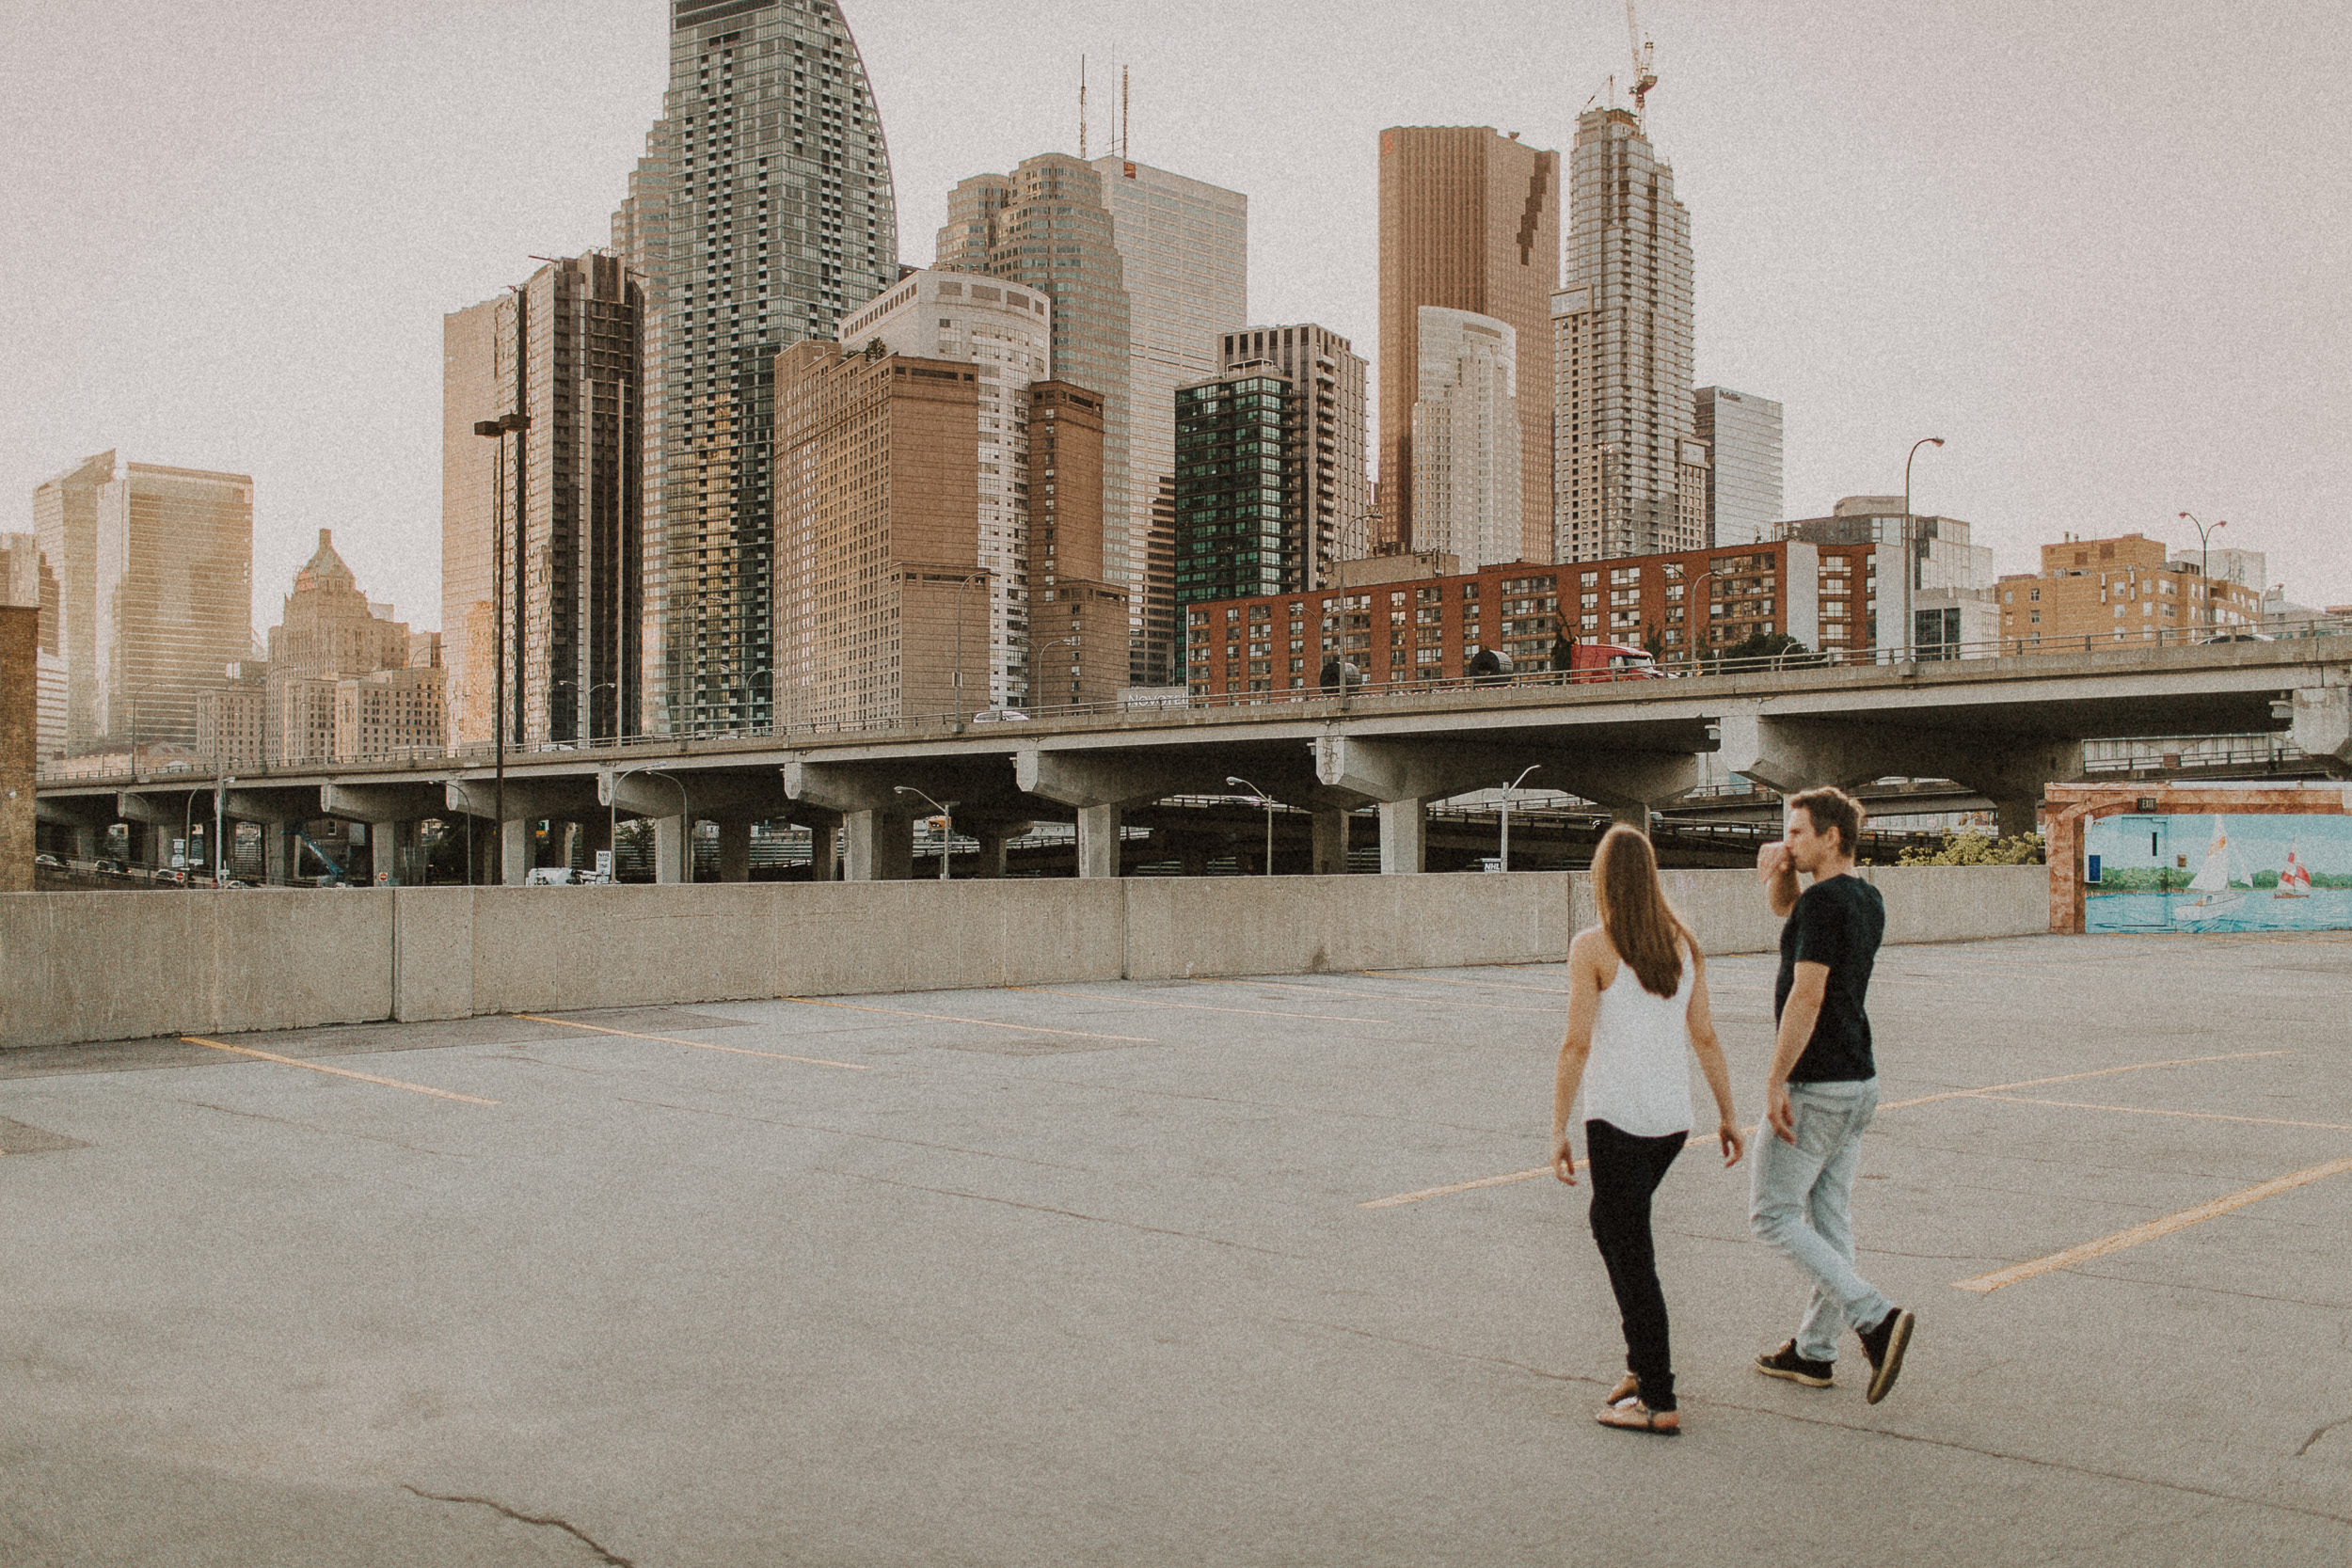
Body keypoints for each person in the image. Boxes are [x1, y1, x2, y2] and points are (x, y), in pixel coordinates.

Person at [1552, 824, 1744, 1435]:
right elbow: (1706, 1034)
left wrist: (1557, 1127)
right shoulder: (1682, 944)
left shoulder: (1593, 947)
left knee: (1631, 1252)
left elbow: (1576, 1043)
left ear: (1603, 880)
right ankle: (1641, 1366)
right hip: (1669, 1124)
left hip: (1616, 1120)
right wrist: (1728, 1115)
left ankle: (1658, 1397)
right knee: (1615, 1228)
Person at [1748, 786, 1915, 1404]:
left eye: (1797, 833)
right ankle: (1814, 1353)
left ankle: (1874, 1317)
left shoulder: (1822, 903)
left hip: (1816, 1083)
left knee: (1771, 1213)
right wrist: (1779, 875)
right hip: (1859, 1080)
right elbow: (1788, 918)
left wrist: (1773, 1080)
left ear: (1832, 837)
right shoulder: (1865, 897)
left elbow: (1807, 991)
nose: (1788, 841)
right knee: (1830, 1221)